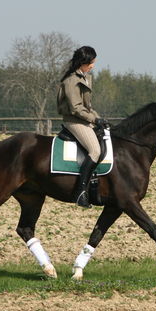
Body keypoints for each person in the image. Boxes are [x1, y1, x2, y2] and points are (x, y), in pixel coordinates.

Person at [57, 46, 107, 208]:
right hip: (74, 121)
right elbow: (76, 108)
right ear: (84, 62)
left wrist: (99, 119)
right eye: (92, 62)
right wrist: (93, 119)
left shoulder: (84, 77)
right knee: (95, 151)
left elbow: (88, 107)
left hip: (84, 119)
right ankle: (80, 191)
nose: (93, 65)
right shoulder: (72, 81)